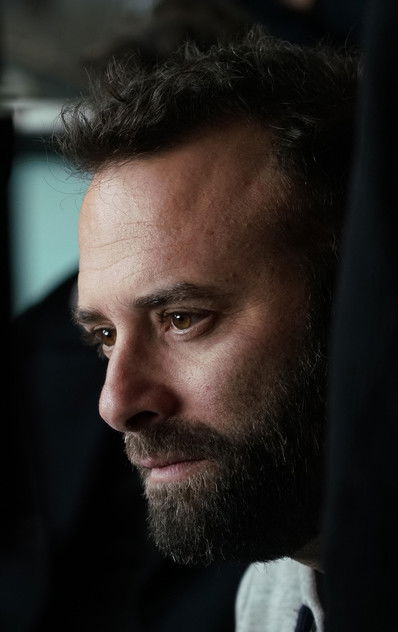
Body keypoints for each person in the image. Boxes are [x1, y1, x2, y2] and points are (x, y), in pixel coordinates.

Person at [60, 30, 358, 631]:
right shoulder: (272, 597)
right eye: (105, 336)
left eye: (181, 319)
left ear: (360, 299)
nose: (116, 404)